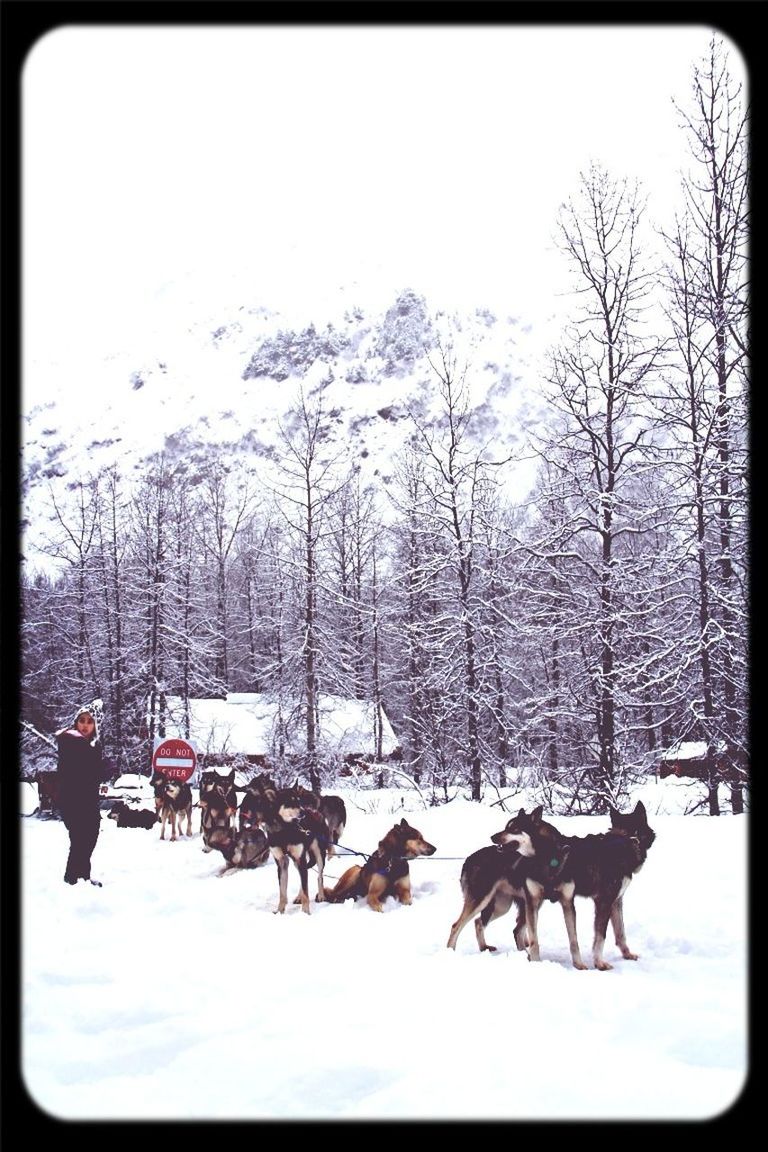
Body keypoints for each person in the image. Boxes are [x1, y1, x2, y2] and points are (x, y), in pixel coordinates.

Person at [55, 699, 107, 886]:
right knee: (80, 841)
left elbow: (93, 775)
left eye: (89, 721)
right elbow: (77, 773)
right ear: (76, 722)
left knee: (89, 837)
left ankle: (82, 877)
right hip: (73, 801)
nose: (84, 725)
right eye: (81, 720)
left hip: (88, 801)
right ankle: (72, 879)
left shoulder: (92, 745)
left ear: (95, 725)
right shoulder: (72, 742)